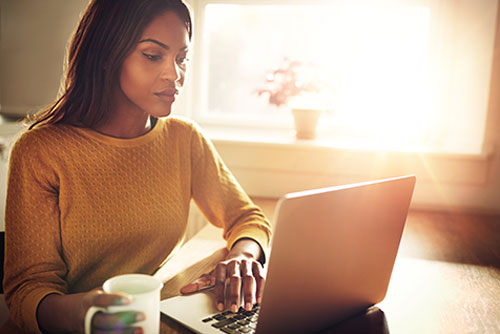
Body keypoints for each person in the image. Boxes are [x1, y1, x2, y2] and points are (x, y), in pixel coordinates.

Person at [3, 0, 272, 333]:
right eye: (152, 55)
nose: (175, 74)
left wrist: (243, 257)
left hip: (157, 319)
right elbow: (27, 291)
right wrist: (87, 312)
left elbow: (247, 219)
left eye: (181, 58)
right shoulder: (41, 151)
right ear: (106, 56)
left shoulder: (184, 139)